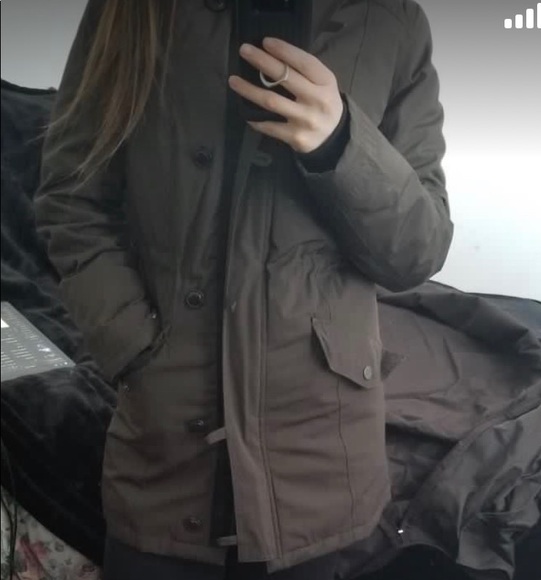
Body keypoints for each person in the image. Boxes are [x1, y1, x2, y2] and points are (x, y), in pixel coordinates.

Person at [34, 0, 453, 578]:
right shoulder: (130, 9)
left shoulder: (392, 20)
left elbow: (417, 252)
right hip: (162, 454)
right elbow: (70, 198)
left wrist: (341, 143)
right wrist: (132, 347)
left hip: (323, 464)